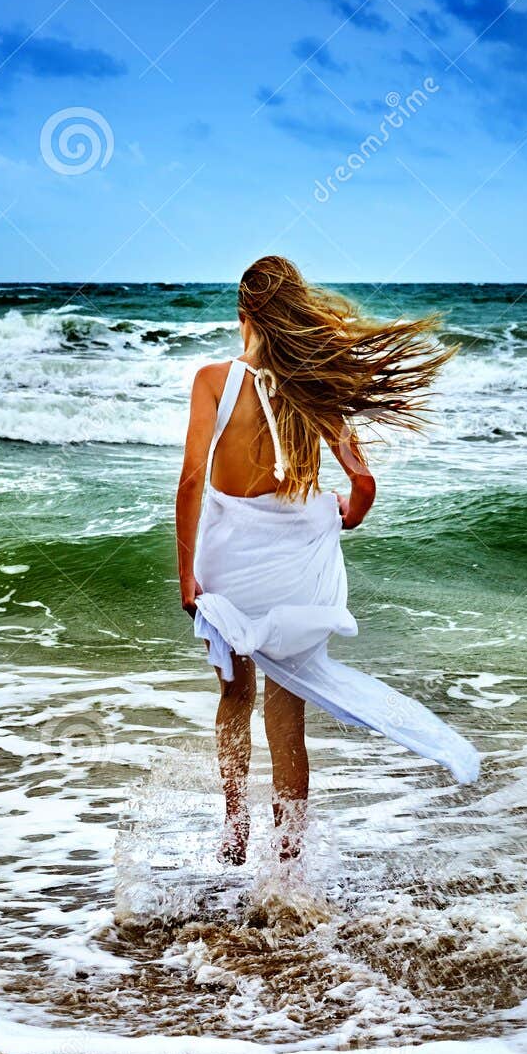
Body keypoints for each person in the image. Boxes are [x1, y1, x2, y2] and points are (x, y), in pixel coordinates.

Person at [174, 256, 479, 865]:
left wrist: (187, 573)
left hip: (230, 561)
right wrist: (345, 512)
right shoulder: (312, 385)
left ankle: (235, 833)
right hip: (293, 564)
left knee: (236, 694)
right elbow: (362, 485)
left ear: (245, 315)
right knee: (287, 708)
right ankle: (289, 860)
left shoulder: (213, 379)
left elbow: (189, 483)